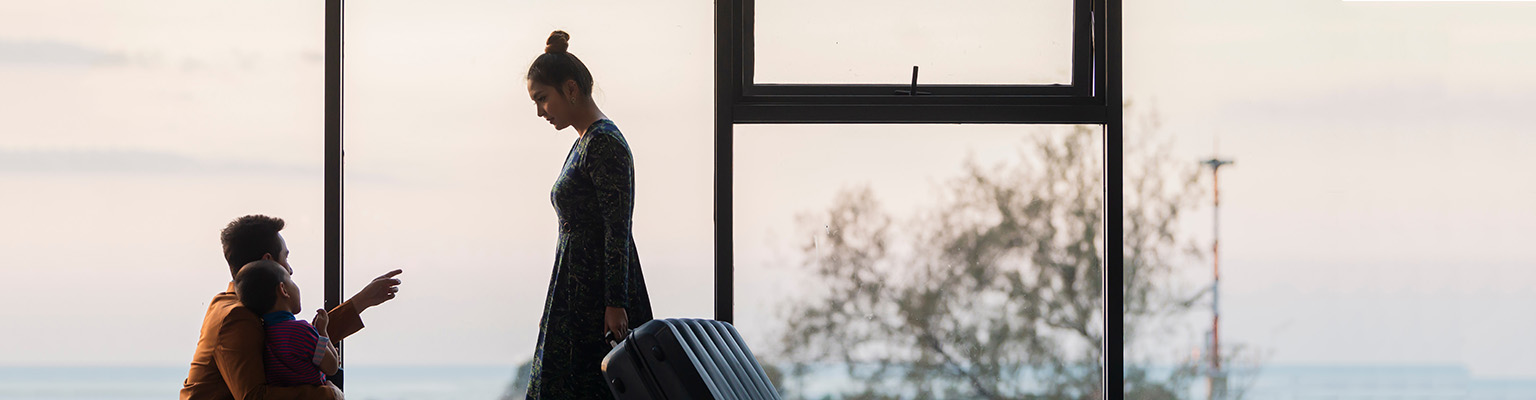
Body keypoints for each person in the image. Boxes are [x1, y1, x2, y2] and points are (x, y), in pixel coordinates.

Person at [524, 30, 654, 399]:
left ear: (570, 89)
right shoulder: (583, 142)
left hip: (597, 298)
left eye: (542, 99)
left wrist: (616, 303)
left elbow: (618, 229)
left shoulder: (604, 143)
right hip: (576, 292)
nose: (539, 112)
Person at [181, 215, 403, 400]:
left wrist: (361, 301)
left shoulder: (241, 306)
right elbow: (254, 396)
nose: (291, 269)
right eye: (285, 258)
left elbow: (298, 342)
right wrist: (327, 396)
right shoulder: (236, 317)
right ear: (268, 261)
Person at [233, 260, 340, 388]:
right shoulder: (303, 331)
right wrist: (322, 331)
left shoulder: (261, 336)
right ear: (283, 289)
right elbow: (332, 366)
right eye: (291, 280)